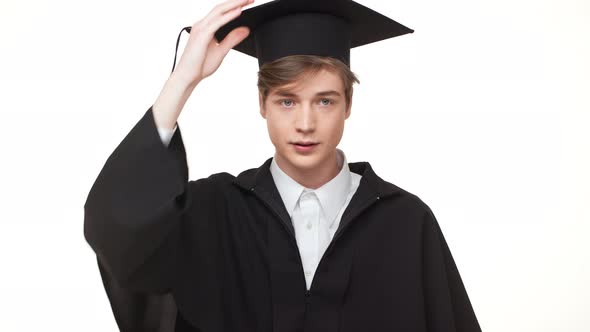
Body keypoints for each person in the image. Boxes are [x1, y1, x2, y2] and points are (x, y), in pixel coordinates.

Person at [84, 0, 482, 331]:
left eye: (324, 101)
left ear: (348, 105)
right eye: (286, 101)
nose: (305, 124)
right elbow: (118, 228)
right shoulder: (213, 213)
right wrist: (183, 80)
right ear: (262, 104)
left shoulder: (405, 223)